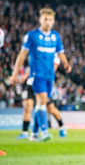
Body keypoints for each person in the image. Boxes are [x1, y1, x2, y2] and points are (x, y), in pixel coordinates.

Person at [9, 8, 71, 142]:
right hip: (37, 74)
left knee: (42, 104)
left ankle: (34, 134)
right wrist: (15, 74)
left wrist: (66, 63)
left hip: (50, 76)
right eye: (45, 19)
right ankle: (44, 132)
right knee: (41, 101)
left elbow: (60, 53)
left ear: (53, 21)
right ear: (40, 20)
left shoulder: (56, 36)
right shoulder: (32, 35)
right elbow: (22, 54)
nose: (47, 22)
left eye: (50, 20)